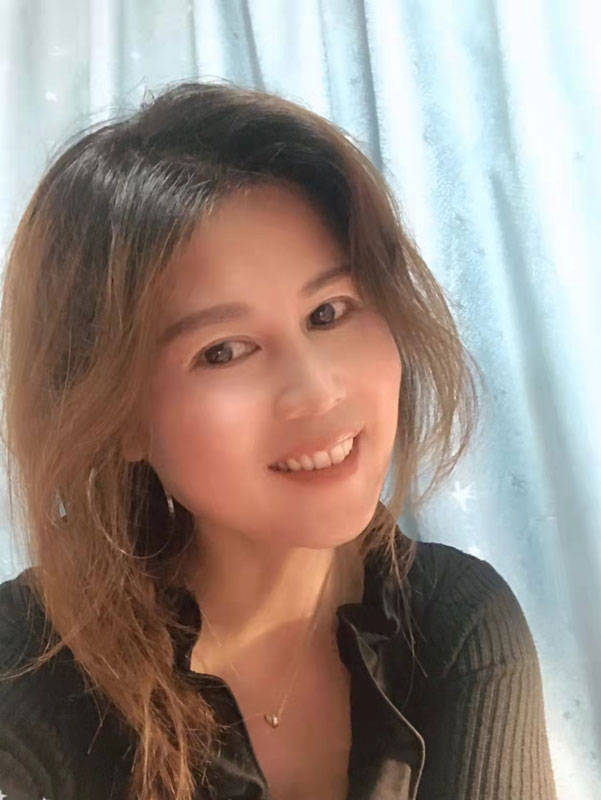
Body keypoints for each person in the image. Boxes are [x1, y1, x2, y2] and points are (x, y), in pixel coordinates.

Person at [0, 80, 557, 800]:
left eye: (329, 312)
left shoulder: (456, 621)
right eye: (224, 351)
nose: (316, 393)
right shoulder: (28, 658)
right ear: (119, 416)